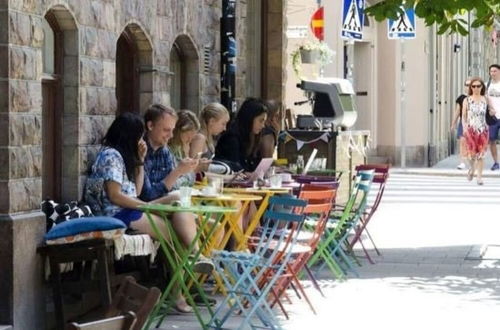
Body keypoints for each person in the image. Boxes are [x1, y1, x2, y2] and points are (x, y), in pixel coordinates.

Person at [84, 112, 213, 313]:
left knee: (179, 208)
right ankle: (182, 281)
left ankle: (187, 272)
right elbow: (115, 195)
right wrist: (143, 207)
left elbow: (135, 190)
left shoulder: (123, 157)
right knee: (176, 233)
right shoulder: (111, 156)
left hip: (128, 209)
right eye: (139, 136)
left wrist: (140, 162)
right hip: (118, 215)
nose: (141, 141)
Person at [139, 104, 198, 201]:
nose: (171, 135)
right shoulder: (140, 150)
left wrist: (182, 171)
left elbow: (173, 185)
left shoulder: (164, 151)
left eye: (172, 130)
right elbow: (147, 195)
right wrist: (178, 172)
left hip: (164, 205)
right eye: (166, 130)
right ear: (150, 126)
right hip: (146, 207)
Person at [215, 98, 268, 172]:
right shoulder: (231, 138)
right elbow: (235, 167)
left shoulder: (253, 137)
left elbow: (255, 164)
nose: (263, 126)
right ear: (249, 118)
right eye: (261, 121)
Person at [168, 110, 210, 188]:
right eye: (188, 136)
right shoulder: (169, 149)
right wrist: (194, 169)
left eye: (192, 136)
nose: (190, 140)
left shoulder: (180, 147)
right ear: (178, 131)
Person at [190, 103, 233, 174]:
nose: (224, 128)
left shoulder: (209, 138)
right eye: (223, 123)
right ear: (212, 121)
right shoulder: (200, 138)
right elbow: (193, 167)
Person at [462, 78, 491, 185]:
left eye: (478, 86)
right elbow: (464, 116)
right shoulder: (467, 100)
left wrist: (492, 112)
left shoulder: (486, 99)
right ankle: (472, 169)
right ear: (471, 88)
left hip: (483, 130)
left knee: (481, 155)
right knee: (471, 155)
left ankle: (479, 177)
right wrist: (464, 128)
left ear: (482, 87)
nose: (476, 88)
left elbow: (491, 112)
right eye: (473, 86)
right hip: (470, 130)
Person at [451, 79, 471, 170]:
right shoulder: (461, 98)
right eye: (466, 85)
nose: (468, 87)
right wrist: (453, 123)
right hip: (463, 122)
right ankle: (462, 162)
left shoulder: (478, 97)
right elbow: (457, 111)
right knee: (462, 142)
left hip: (475, 123)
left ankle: (471, 161)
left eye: (470, 85)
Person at [487, 64, 500, 170]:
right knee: (492, 140)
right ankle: (496, 162)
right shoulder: (487, 85)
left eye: (495, 71)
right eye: (491, 71)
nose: (493, 73)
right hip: (492, 118)